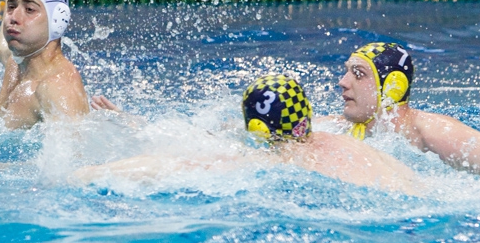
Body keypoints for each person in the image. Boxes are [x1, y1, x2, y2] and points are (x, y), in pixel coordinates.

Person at [81, 75, 424, 196]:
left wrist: (82, 174)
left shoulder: (266, 160)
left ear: (255, 130)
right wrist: (133, 121)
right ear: (306, 118)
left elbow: (173, 162)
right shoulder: (344, 139)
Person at [321, 42, 480, 180]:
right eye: (346, 72)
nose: (343, 82)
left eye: (358, 74)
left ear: (392, 87)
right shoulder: (341, 127)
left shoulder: (436, 132)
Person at [0, 0, 90, 128]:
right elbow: (3, 49)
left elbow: (76, 151)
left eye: (30, 9)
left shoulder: (56, 88)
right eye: (11, 7)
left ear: (57, 20)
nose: (13, 18)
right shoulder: (16, 65)